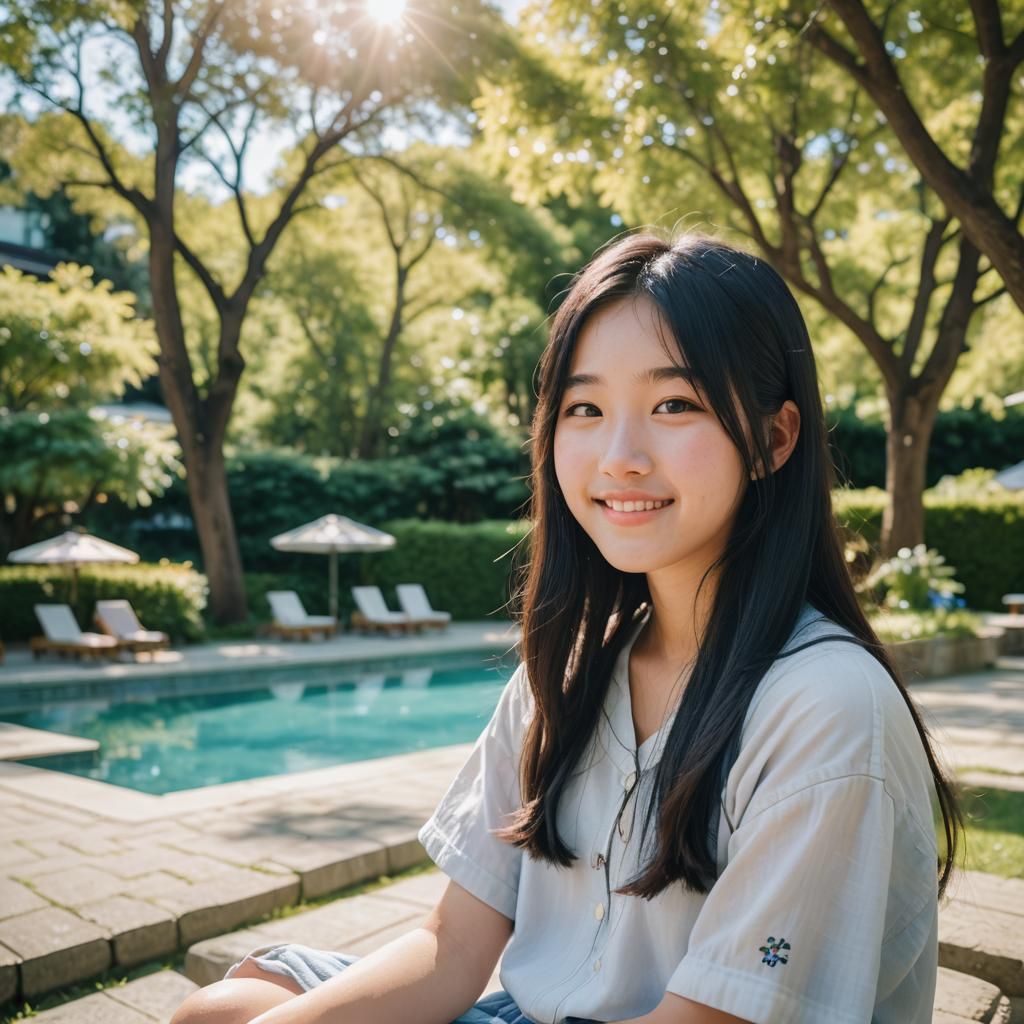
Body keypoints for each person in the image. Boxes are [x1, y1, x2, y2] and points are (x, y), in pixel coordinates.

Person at [170, 231, 961, 1024]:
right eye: (585, 408)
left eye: (674, 404)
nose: (619, 456)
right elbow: (452, 946)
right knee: (222, 1011)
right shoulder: (576, 666)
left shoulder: (826, 707)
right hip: (528, 1011)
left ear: (773, 439)